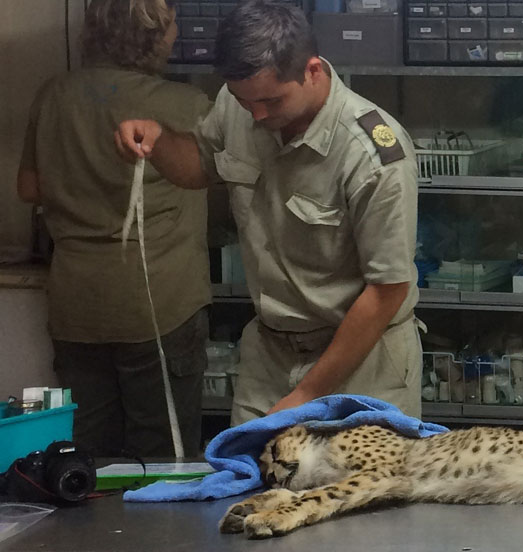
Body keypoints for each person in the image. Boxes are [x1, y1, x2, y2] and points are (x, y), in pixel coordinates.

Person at [115, 0, 422, 425]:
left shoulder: (373, 154)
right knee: (249, 483)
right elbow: (198, 167)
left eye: (271, 102)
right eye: (245, 102)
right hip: (270, 353)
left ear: (312, 71)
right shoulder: (238, 100)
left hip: (363, 358)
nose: (257, 116)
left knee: (355, 487)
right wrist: (158, 140)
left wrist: (308, 393)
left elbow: (387, 290)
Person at [17, 0, 211, 458]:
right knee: (164, 457)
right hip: (161, 304)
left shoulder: (53, 95)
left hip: (77, 305)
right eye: (172, 23)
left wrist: (80, 178)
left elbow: (29, 187)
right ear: (154, 34)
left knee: (88, 459)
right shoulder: (185, 105)